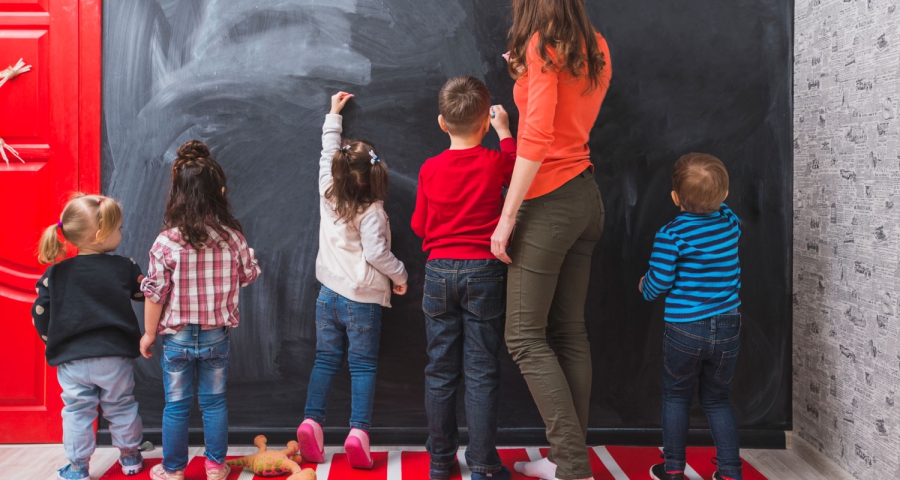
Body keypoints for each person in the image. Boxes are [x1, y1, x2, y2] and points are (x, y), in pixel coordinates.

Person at [490, 0, 612, 479]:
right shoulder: (595, 46)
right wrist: (527, 72)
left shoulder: (544, 47)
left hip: (550, 201)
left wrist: (508, 216)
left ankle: (572, 466)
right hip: (585, 196)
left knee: (523, 336)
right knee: (568, 332)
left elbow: (538, 137)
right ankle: (566, 459)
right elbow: (570, 117)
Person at [411, 75, 516, 480]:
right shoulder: (495, 161)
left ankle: (440, 461)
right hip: (485, 271)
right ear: (485, 121)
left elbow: (419, 226)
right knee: (482, 370)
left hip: (439, 271)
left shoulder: (430, 168)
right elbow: (520, 176)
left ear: (442, 123)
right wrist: (505, 133)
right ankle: (484, 465)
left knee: (440, 369)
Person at [296, 92, 408, 470]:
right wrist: (401, 275)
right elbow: (377, 255)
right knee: (362, 367)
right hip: (362, 300)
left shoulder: (327, 191)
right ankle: (358, 432)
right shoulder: (372, 212)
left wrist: (333, 116)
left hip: (327, 295)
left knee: (326, 360)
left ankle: (312, 422)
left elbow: (327, 154)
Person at [139, 141, 261, 480]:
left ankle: (173, 469)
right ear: (218, 191)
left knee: (176, 406)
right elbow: (247, 276)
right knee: (214, 402)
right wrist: (250, 258)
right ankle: (216, 466)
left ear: (177, 194)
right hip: (215, 337)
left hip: (177, 338)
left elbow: (155, 294)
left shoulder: (166, 241)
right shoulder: (232, 238)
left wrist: (149, 333)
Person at [640, 153, 743, 480]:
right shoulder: (730, 223)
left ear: (675, 198)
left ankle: (673, 469)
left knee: (676, 396)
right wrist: (717, 197)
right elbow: (724, 208)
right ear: (725, 195)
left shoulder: (671, 235)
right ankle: (730, 472)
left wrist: (644, 286)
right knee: (717, 400)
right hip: (728, 325)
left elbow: (659, 281)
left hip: (685, 328)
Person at [32, 194, 145, 480]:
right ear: (100, 235)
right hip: (114, 356)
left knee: (77, 411)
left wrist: (51, 340)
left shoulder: (55, 274)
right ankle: (130, 457)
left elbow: (40, 311)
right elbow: (146, 294)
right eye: (118, 228)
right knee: (121, 405)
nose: (121, 233)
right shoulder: (125, 267)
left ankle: (78, 467)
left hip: (72, 359)